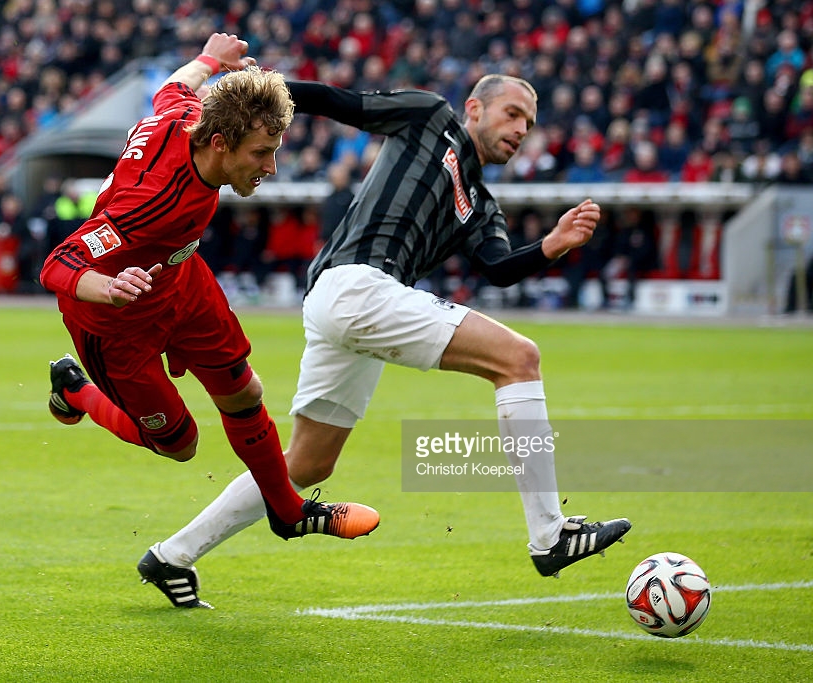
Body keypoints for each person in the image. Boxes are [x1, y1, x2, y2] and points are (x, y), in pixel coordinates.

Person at [146, 74, 631, 608]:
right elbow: (332, 100)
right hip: (356, 286)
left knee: (307, 465)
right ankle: (550, 536)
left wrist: (551, 245)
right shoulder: (429, 116)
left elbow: (497, 266)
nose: (521, 130)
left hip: (350, 304)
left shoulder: (480, 203)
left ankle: (172, 554)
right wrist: (254, 89)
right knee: (520, 359)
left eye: (530, 124)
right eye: (512, 113)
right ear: (475, 107)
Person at [38, 33, 380, 609]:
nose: (270, 167)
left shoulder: (191, 118)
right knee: (178, 444)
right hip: (115, 319)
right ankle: (77, 392)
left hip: (178, 279)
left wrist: (208, 60)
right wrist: (110, 287)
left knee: (244, 390)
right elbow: (59, 262)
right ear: (220, 143)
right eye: (260, 154)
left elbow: (174, 89)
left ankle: (289, 513)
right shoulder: (150, 203)